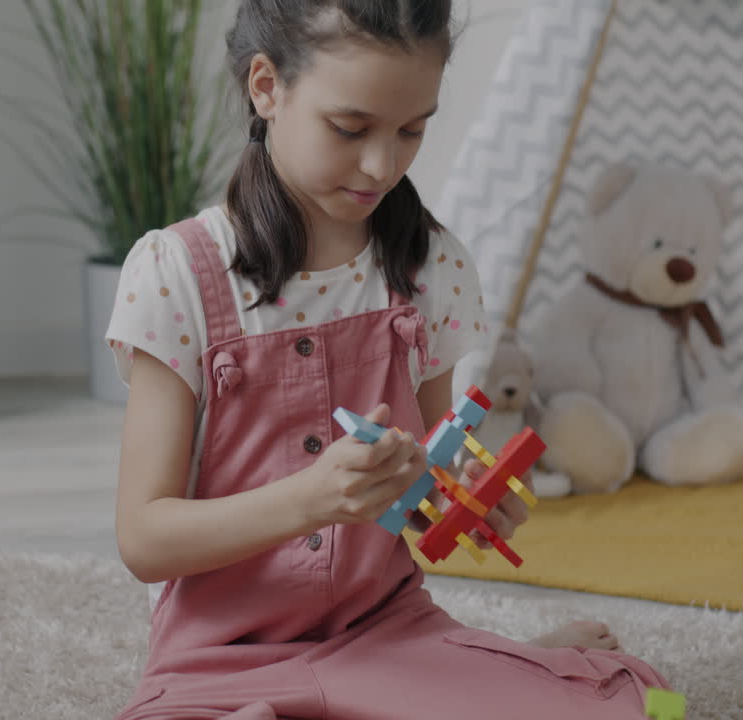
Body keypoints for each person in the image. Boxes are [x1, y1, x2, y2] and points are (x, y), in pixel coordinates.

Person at [106, 1, 670, 717]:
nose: (382, 164)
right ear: (266, 87)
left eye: (412, 129)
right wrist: (308, 499)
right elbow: (143, 539)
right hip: (216, 664)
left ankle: (508, 667)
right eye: (350, 128)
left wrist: (467, 503)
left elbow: (424, 489)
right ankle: (500, 668)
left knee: (642, 705)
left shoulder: (430, 267)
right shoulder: (177, 273)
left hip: (385, 638)